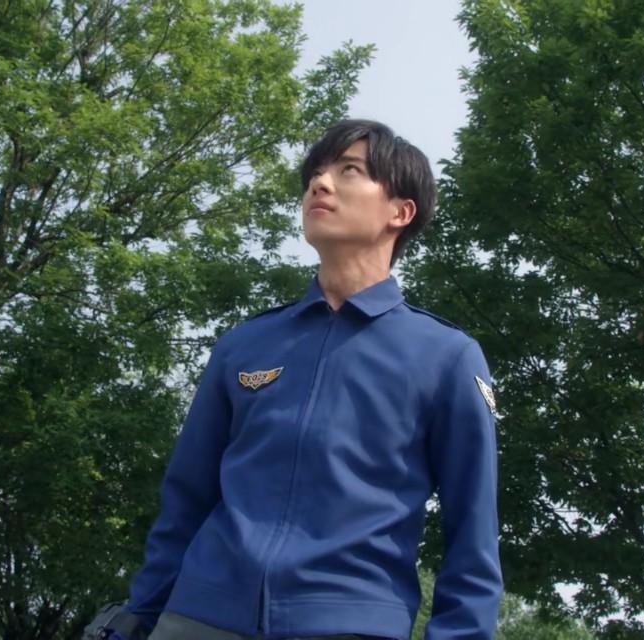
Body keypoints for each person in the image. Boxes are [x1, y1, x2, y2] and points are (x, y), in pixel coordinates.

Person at [123, 119, 502, 640]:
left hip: (350, 623)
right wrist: (140, 617)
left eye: (349, 171)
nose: (319, 184)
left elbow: (472, 535)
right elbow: (185, 501)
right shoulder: (244, 344)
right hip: (196, 619)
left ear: (400, 211)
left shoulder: (447, 357)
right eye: (315, 174)